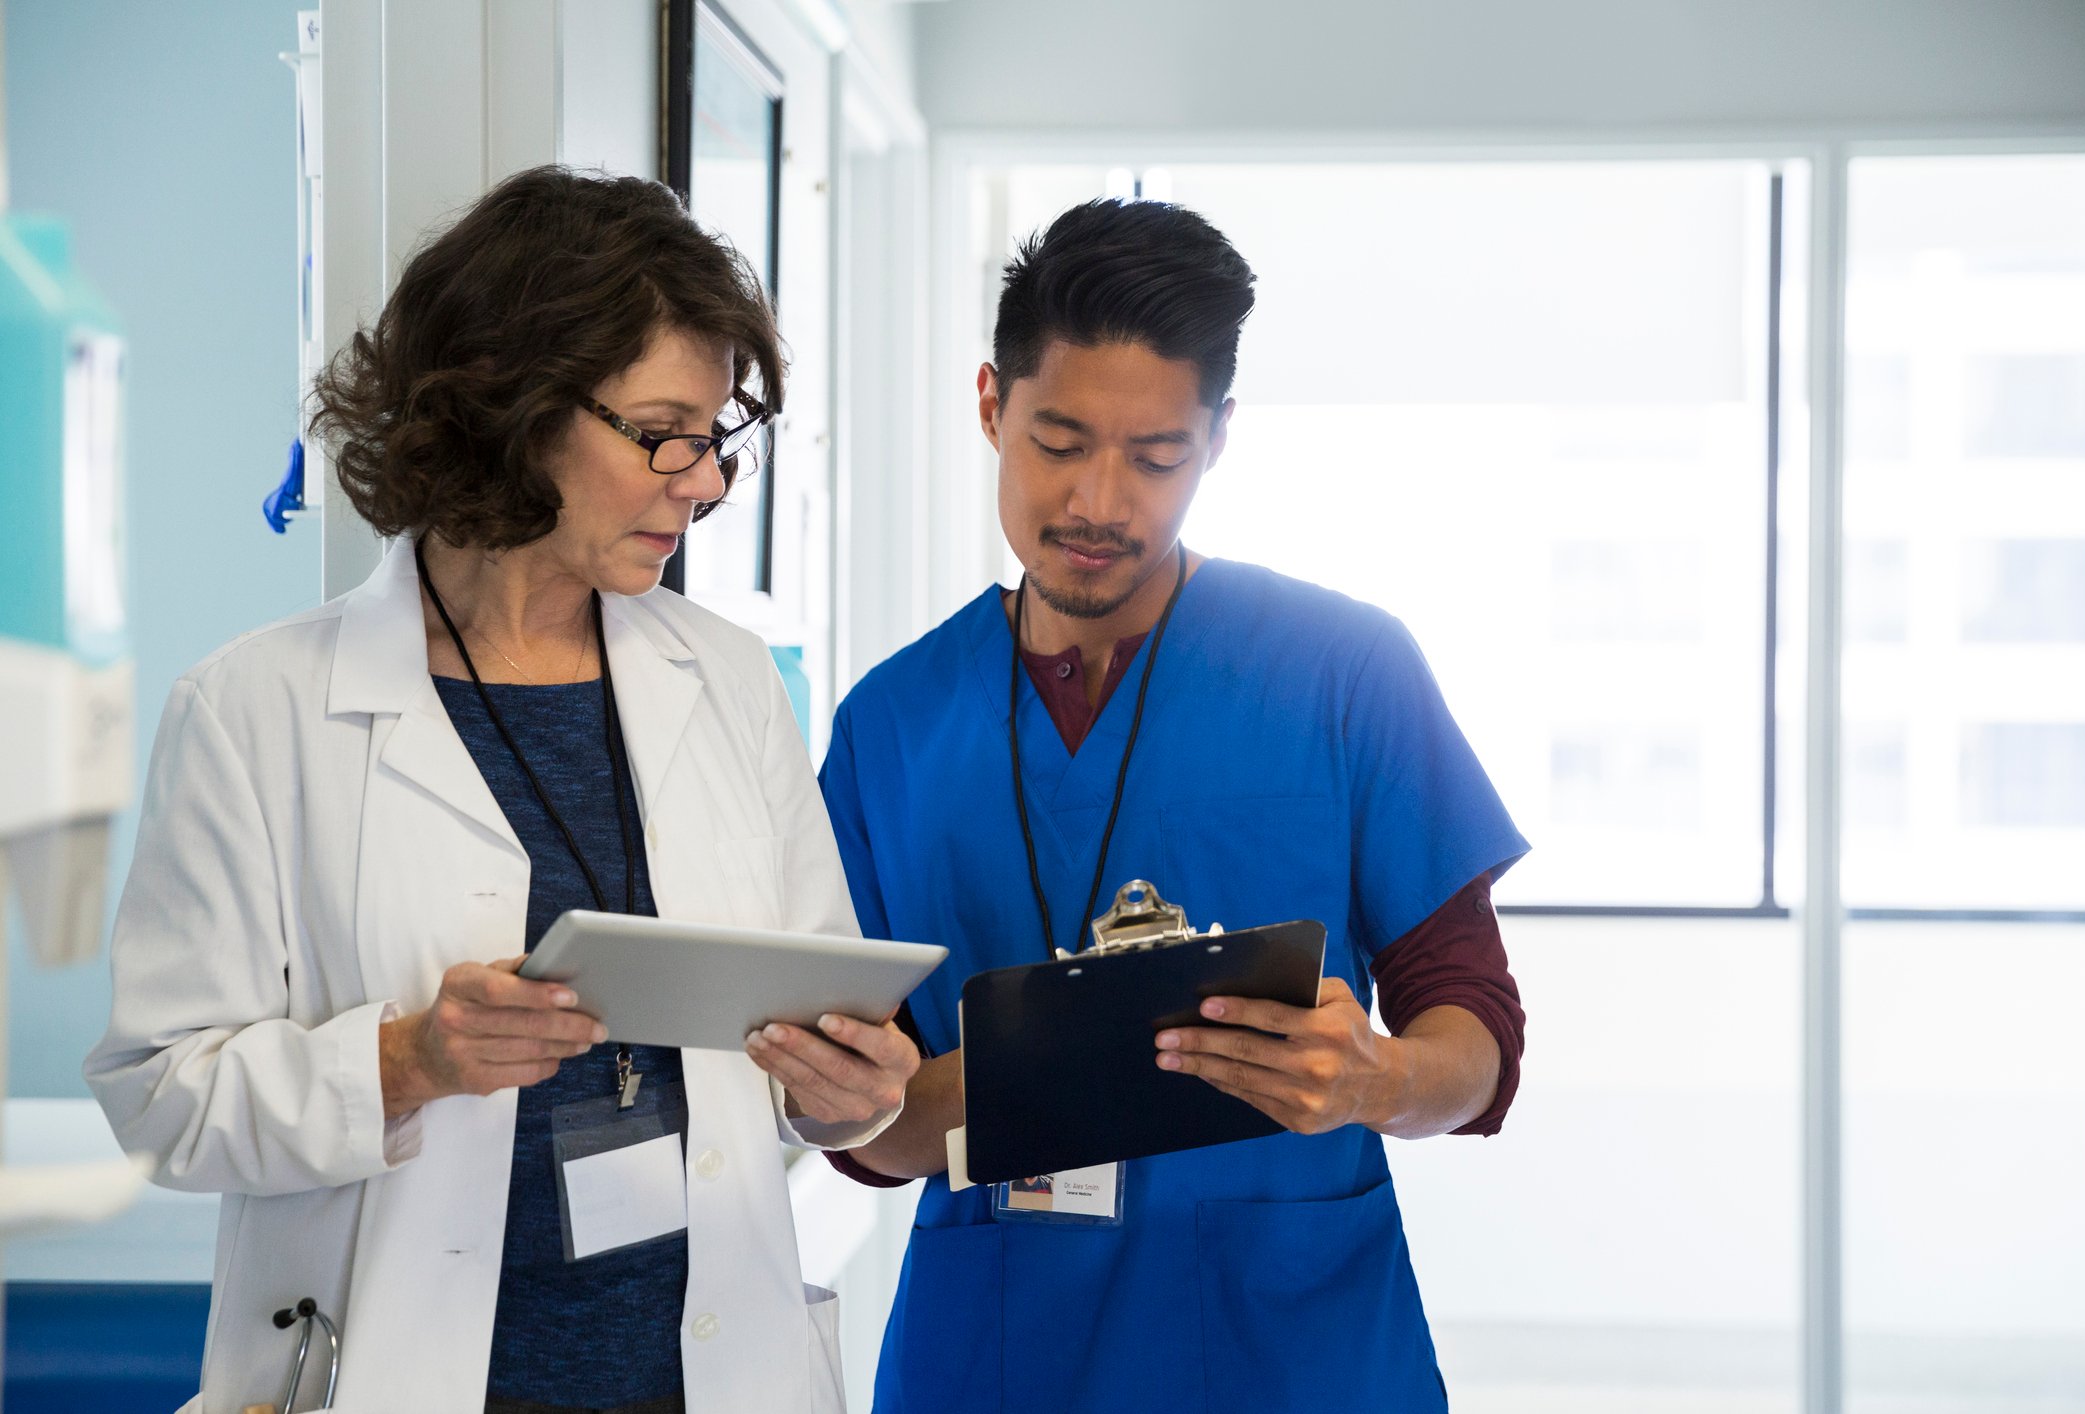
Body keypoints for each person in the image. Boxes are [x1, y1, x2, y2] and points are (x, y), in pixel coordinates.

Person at [85, 166, 917, 1414]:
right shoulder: (258, 711)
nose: (700, 481)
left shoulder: (729, 682)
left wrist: (844, 1091)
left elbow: (805, 1027)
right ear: (516, 405)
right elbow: (161, 1097)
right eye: (661, 434)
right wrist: (407, 1059)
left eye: (717, 439)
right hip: (394, 1374)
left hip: (707, 1376)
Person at [784, 198, 1530, 1414]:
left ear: (1219, 439)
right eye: (1060, 440)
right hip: (1002, 1344)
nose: (1099, 502)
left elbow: (1477, 1030)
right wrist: (990, 1079)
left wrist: (1374, 1080)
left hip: (1293, 1345)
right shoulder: (893, 724)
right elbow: (865, 1128)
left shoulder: (1345, 669)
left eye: (1156, 456)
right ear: (990, 404)